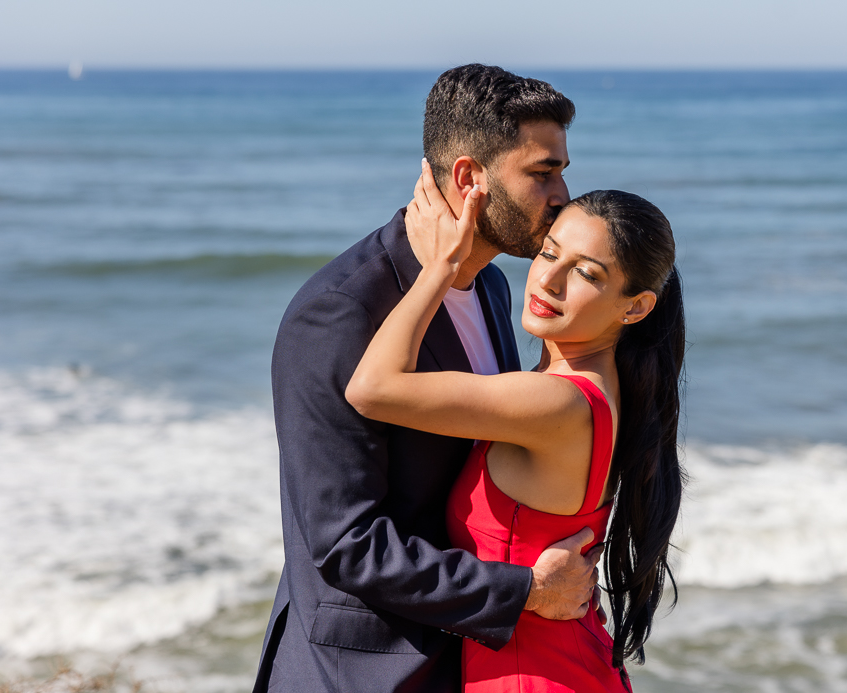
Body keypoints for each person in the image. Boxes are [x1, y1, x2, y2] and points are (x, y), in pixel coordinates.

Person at [253, 65, 607, 693]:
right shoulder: (339, 313)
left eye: (562, 171)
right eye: (543, 173)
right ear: (471, 178)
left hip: (464, 660)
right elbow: (347, 545)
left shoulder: (495, 286)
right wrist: (523, 591)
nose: (563, 195)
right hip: (364, 673)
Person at [345, 167, 686, 691]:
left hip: (537, 678)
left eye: (587, 274)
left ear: (636, 307)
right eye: (549, 253)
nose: (548, 280)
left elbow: (372, 389)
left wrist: (441, 266)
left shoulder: (557, 401)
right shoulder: (600, 388)